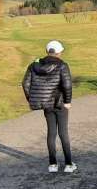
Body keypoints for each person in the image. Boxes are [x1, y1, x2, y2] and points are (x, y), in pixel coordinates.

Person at [22, 40, 76, 173]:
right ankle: (69, 164)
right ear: (59, 52)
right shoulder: (62, 65)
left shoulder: (34, 65)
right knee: (63, 132)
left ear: (47, 51)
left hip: (46, 104)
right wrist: (68, 101)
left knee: (51, 133)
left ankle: (53, 164)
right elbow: (67, 85)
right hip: (60, 103)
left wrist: (33, 98)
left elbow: (25, 84)